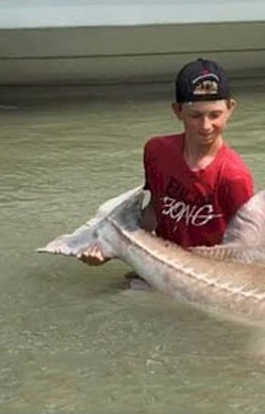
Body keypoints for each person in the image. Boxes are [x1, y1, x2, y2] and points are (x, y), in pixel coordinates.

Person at [80, 57, 254, 265]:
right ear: (177, 111)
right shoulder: (156, 151)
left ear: (230, 108)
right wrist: (108, 251)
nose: (206, 126)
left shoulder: (235, 176)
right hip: (161, 260)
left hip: (210, 271)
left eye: (215, 115)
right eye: (195, 116)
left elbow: (247, 248)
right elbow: (153, 211)